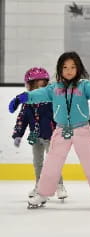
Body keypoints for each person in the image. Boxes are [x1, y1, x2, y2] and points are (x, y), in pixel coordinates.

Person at [8, 51, 90, 209]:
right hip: (61, 130)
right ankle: (42, 193)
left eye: (72, 67)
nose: (69, 70)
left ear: (78, 69)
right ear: (59, 69)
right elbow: (38, 94)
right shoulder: (54, 89)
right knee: (51, 164)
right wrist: (22, 97)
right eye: (65, 67)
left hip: (81, 129)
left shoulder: (84, 86)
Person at [12, 67, 67, 200]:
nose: (38, 87)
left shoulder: (51, 100)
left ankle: (59, 185)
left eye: (42, 84)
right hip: (35, 137)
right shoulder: (27, 102)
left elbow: (61, 115)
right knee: (38, 163)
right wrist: (18, 134)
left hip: (50, 136)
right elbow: (22, 118)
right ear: (29, 85)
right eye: (35, 84)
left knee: (53, 162)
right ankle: (39, 185)